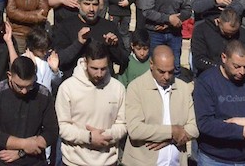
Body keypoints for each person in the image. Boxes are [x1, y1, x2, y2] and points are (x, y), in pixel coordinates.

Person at [193, 39, 245, 166]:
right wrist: (241, 132)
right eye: (237, 66)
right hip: (214, 159)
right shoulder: (206, 81)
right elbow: (205, 123)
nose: (242, 72)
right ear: (224, 58)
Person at [56, 38, 127, 166]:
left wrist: (107, 135)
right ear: (85, 63)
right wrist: (88, 137)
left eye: (103, 69)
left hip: (108, 162)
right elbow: (62, 126)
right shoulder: (68, 88)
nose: (99, 74)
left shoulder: (118, 88)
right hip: (74, 162)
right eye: (94, 68)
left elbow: (123, 124)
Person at [122, 45, 197, 166]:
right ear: (151, 64)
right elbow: (135, 129)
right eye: (161, 71)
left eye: (171, 72)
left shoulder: (182, 88)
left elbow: (193, 128)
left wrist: (169, 140)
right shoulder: (136, 87)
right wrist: (172, 131)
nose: (167, 77)